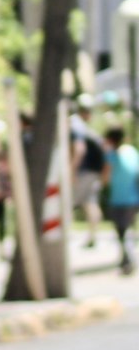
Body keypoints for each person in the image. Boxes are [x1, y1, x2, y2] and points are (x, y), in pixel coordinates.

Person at [73, 104, 108, 248]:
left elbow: (79, 149)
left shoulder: (81, 128)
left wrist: (72, 169)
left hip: (86, 172)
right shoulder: (82, 128)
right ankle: (93, 235)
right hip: (90, 172)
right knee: (88, 203)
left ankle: (92, 235)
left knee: (77, 202)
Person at [108, 125, 139, 275]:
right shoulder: (132, 152)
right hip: (132, 197)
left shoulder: (111, 155)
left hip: (117, 199)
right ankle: (126, 259)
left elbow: (105, 178)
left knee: (121, 232)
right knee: (127, 230)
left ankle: (127, 260)